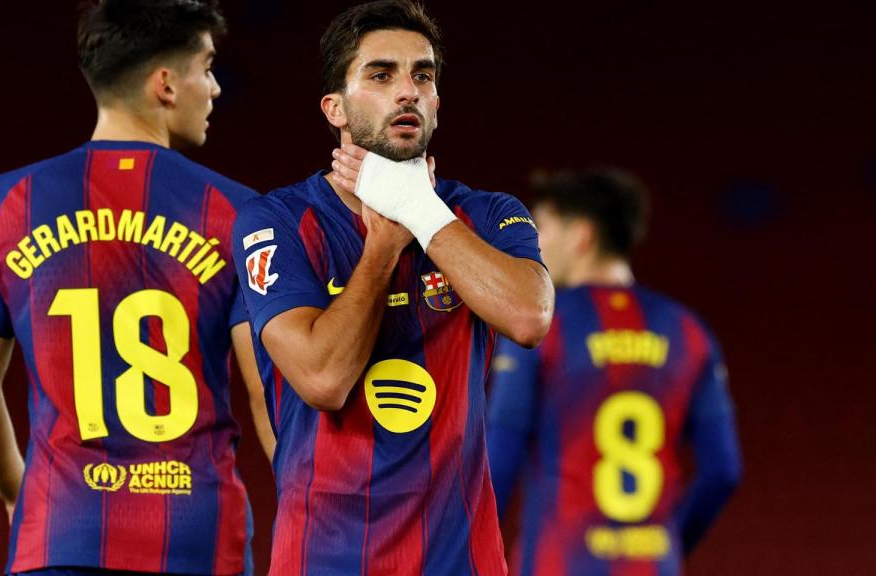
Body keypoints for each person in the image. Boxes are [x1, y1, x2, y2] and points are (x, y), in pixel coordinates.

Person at [0, 1, 271, 574]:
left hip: (59, 535)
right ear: (165, 84)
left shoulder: (7, 203)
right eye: (206, 67)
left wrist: (18, 494)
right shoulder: (237, 211)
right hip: (198, 540)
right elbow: (267, 396)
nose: (215, 87)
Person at [231, 1, 555, 574]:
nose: (408, 91)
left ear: (437, 102)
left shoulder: (487, 212)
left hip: (459, 560)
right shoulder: (276, 221)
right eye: (381, 75)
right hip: (324, 559)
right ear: (335, 108)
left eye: (422, 76)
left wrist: (418, 209)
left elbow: (529, 318)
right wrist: (383, 245)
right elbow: (323, 379)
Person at [486, 169, 742, 575]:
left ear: (581, 236)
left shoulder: (539, 327)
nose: (535, 243)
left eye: (544, 228)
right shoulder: (689, 331)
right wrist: (671, 545)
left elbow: (497, 462)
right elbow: (723, 470)